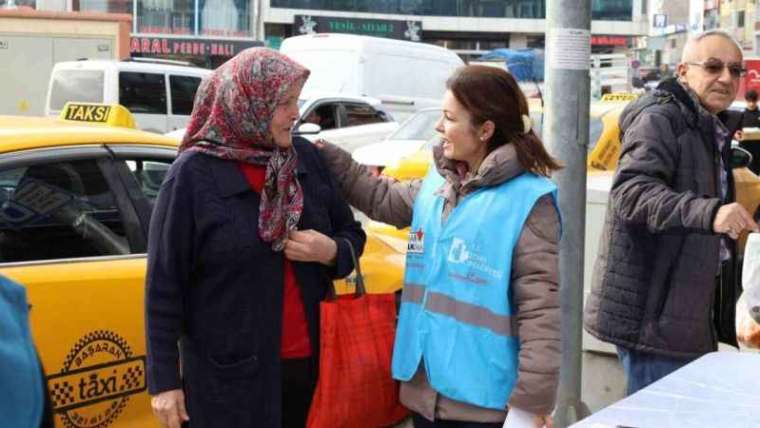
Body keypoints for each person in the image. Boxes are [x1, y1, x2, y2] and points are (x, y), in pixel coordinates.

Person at [318, 65, 561, 428]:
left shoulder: (529, 201)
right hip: (424, 393)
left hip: (483, 404)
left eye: (449, 118)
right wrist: (329, 157)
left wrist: (529, 407)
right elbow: (384, 199)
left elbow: (541, 314)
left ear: (484, 130)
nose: (438, 126)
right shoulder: (442, 180)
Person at [145, 48, 366, 428]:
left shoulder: (305, 158)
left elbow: (352, 234)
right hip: (226, 380)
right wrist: (164, 381)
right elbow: (165, 284)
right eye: (285, 103)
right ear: (248, 102)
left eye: (297, 101)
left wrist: (331, 251)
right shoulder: (193, 175)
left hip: (309, 369)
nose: (297, 113)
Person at [584, 30, 758, 396]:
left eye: (735, 70)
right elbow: (631, 194)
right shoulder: (661, 118)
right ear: (683, 71)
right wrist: (710, 213)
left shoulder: (709, 124)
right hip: (654, 320)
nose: (726, 78)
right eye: (713, 66)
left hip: (682, 315)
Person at [737, 89, 760, 173]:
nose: (751, 104)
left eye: (753, 101)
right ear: (746, 101)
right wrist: (737, 136)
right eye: (749, 101)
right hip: (744, 149)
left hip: (757, 149)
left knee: (755, 173)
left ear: (757, 100)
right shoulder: (741, 115)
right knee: (743, 172)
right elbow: (736, 131)